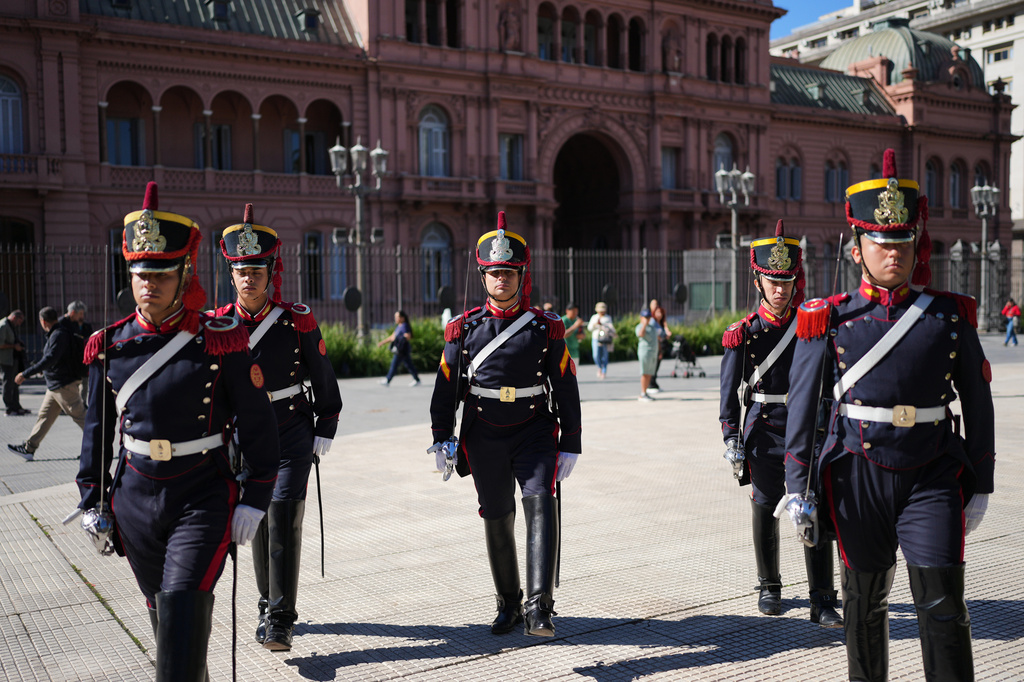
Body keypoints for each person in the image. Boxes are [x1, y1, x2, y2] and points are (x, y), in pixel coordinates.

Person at [782, 150, 994, 682]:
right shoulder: (828, 319)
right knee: (864, 605)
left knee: (944, 606)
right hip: (857, 473)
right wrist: (796, 485)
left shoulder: (948, 315)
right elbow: (805, 407)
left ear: (914, 243)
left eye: (902, 240)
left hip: (932, 474)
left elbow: (977, 400)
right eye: (879, 241)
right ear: (857, 249)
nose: (892, 252)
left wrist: (982, 481)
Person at [75, 183, 281, 680]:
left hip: (202, 495)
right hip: (134, 501)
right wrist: (91, 499)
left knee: (183, 614)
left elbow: (258, 425)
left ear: (183, 272)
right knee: (170, 629)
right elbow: (97, 431)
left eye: (162, 273)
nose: (150, 284)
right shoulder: (110, 346)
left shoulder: (220, 340)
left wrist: (255, 498)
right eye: (141, 273)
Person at [428, 211, 582, 637]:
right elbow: (447, 387)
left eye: (510, 273)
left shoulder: (544, 328)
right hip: (484, 434)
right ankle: (508, 604)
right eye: (495, 273)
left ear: (521, 275)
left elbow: (565, 386)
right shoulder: (465, 330)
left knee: (539, 505)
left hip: (533, 430)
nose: (502, 281)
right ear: (483, 277)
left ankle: (539, 607)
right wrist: (442, 435)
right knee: (496, 515)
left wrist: (571, 440)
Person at [215, 203, 342, 651]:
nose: (249, 279)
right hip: (243, 438)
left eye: (256, 270)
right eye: (240, 271)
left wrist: (327, 421)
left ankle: (282, 618)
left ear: (272, 272)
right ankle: (266, 604)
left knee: (284, 515)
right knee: (257, 521)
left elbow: (322, 371)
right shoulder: (217, 327)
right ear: (231, 275)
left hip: (290, 429)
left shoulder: (295, 319)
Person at [719, 220, 842, 628]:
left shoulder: (811, 328)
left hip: (807, 431)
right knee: (766, 507)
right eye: (772, 281)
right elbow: (730, 392)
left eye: (787, 281)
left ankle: (822, 598)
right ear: (757, 280)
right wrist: (730, 436)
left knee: (814, 508)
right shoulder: (745, 334)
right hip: (764, 430)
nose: (780, 289)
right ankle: (769, 585)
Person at [7, 305, 87, 460]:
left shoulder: (58, 334)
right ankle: (29, 448)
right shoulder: (57, 333)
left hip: (64, 385)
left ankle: (99, 448)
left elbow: (50, 359)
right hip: (55, 386)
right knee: (44, 416)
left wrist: (25, 374)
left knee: (82, 417)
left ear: (43, 321)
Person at [378, 310, 421, 387]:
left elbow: (408, 336)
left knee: (394, 365)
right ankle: (417, 379)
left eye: (397, 317)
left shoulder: (404, 326)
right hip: (402, 350)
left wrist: (399, 338)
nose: (395, 318)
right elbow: (392, 337)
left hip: (402, 350)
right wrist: (382, 342)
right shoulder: (399, 326)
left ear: (402, 318)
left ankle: (387, 380)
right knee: (409, 365)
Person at [1, 309, 29, 416]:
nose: (19, 324)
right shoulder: (3, 326)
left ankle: (16, 406)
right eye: (19, 321)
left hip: (13, 359)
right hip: (6, 360)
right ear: (14, 318)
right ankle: (9, 408)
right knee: (8, 383)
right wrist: (14, 346)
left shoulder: (10, 325)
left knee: (15, 383)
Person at [67, 301, 93, 408]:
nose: (82, 316)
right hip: (73, 358)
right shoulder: (70, 325)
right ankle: (74, 403)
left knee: (85, 382)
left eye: (83, 314)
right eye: (80, 313)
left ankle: (82, 402)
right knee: (74, 382)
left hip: (84, 356)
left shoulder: (87, 326)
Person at [635, 308, 660, 401]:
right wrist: (644, 324)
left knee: (650, 373)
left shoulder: (652, 327)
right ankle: (642, 393)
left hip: (653, 353)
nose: (647, 319)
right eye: (645, 317)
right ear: (641, 317)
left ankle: (646, 391)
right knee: (644, 373)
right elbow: (640, 334)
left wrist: (659, 351)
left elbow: (656, 340)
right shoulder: (639, 327)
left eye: (648, 317)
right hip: (645, 353)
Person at [648, 300, 672, 392]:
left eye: (661, 313)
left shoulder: (660, 323)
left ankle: (653, 383)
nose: (660, 314)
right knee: (653, 366)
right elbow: (654, 334)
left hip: (660, 346)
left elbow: (665, 331)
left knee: (657, 366)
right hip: (656, 346)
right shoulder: (652, 321)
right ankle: (651, 384)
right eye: (658, 312)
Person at [587, 301, 615, 379]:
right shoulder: (594, 317)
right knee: (596, 355)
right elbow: (589, 328)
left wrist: (605, 326)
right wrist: (595, 324)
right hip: (596, 338)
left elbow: (611, 328)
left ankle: (604, 370)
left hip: (605, 338)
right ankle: (599, 367)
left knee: (605, 355)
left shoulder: (608, 318)